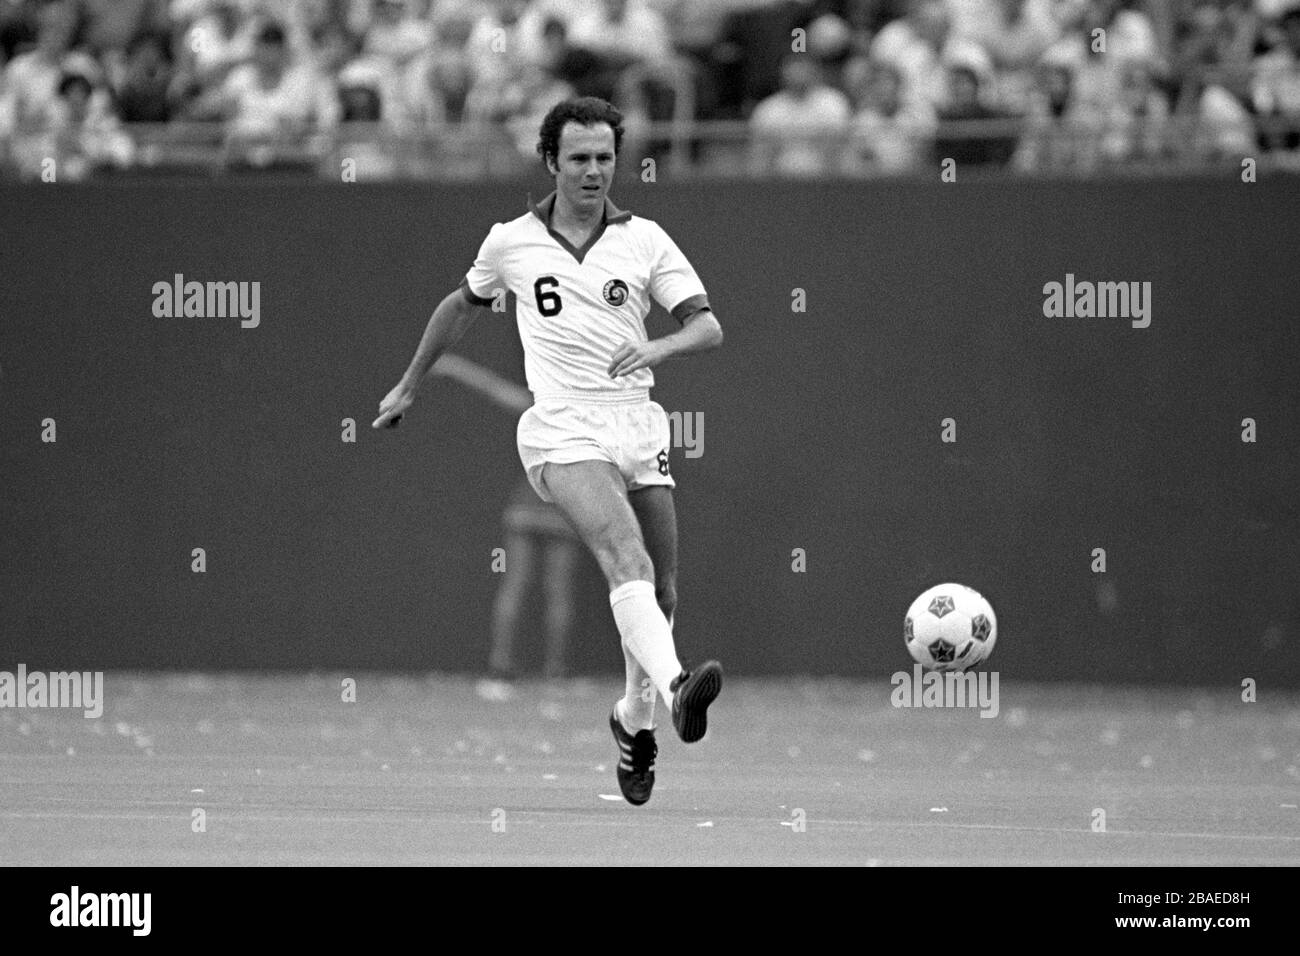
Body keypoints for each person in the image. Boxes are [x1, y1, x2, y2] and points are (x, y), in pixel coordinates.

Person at [373, 96, 724, 807]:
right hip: (563, 426)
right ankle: (679, 682)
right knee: (624, 554)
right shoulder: (511, 241)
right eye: (579, 159)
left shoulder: (646, 239)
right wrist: (410, 384)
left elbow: (708, 327)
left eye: (604, 158)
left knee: (660, 592)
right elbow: (460, 306)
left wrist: (657, 345)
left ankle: (635, 721)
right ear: (551, 162)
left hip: (636, 422)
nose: (594, 171)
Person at [429, 354, 581, 689]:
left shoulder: (534, 407)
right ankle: (555, 671)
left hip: (528, 508)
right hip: (565, 510)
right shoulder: (587, 418)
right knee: (558, 591)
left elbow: (489, 386)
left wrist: (453, 366)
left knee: (516, 584)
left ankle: (501, 666)